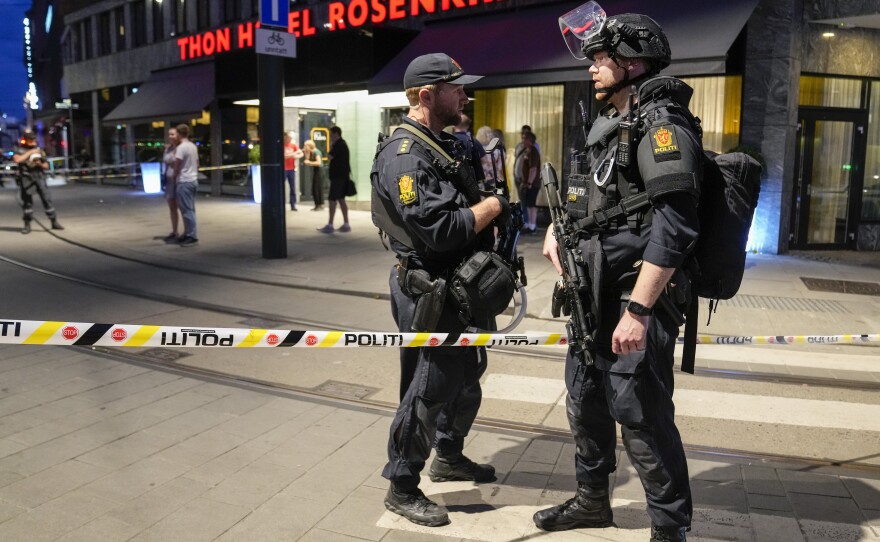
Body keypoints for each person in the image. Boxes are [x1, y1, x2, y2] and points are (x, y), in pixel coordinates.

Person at [535, 8, 701, 542]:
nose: (591, 67)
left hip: (634, 294)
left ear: (633, 61)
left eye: (600, 57)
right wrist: (564, 233)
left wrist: (639, 310)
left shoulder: (662, 123)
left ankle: (669, 529)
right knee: (585, 399)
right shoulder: (612, 122)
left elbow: (675, 226)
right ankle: (591, 502)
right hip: (593, 291)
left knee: (641, 413)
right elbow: (603, 198)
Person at [370, 52, 509, 528]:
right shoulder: (405, 157)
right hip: (430, 292)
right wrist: (494, 205)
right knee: (428, 387)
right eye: (456, 89)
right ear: (428, 96)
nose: (465, 95)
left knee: (466, 375)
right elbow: (443, 230)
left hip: (462, 287)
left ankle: (448, 454)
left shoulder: (439, 144)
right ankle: (402, 484)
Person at [12, 129, 63, 234]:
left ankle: (54, 221)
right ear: (26, 140)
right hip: (26, 179)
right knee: (27, 203)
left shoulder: (39, 150)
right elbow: (17, 159)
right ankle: (27, 224)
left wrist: (39, 163)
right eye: (30, 139)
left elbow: (47, 166)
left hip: (39, 177)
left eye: (33, 139)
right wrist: (30, 152)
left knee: (47, 199)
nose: (33, 141)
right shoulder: (19, 149)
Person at [170, 124, 200, 247]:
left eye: (175, 134)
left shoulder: (181, 148)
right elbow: (197, 163)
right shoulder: (193, 146)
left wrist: (174, 176)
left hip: (184, 181)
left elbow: (177, 165)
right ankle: (188, 233)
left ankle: (192, 236)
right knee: (190, 208)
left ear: (179, 134)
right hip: (193, 180)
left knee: (186, 210)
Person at [317, 126, 352, 233]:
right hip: (342, 177)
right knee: (341, 200)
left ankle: (330, 225)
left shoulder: (338, 145)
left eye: (331, 134)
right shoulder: (343, 144)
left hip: (338, 178)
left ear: (336, 134)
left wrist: (331, 148)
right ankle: (346, 224)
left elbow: (329, 157)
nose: (330, 136)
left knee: (332, 200)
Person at [452, 113, 486, 188]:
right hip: (474, 181)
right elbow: (484, 160)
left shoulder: (449, 140)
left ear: (454, 125)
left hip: (455, 182)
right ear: (468, 126)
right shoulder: (473, 141)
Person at [161, 127, 181, 242]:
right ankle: (175, 231)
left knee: (181, 207)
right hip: (169, 181)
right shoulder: (168, 149)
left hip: (178, 180)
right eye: (169, 134)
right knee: (172, 207)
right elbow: (166, 163)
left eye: (172, 134)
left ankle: (188, 232)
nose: (170, 137)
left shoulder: (181, 148)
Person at [519, 131, 540, 234]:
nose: (522, 140)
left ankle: (532, 227)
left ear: (529, 140)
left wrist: (529, 183)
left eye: (524, 138)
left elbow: (533, 169)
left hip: (532, 184)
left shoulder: (533, 151)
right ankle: (530, 225)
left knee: (531, 205)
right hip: (527, 183)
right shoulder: (527, 150)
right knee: (528, 205)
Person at [475, 125, 505, 191]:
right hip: (496, 180)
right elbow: (500, 167)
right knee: (496, 198)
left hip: (481, 181)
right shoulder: (498, 149)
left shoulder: (477, 149)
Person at [283, 133, 304, 211]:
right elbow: (285, 156)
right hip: (284, 169)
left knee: (293, 187)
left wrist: (297, 156)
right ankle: (282, 203)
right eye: (288, 138)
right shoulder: (282, 145)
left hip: (291, 168)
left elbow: (301, 153)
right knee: (282, 187)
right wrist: (294, 154)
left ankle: (293, 204)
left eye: (290, 138)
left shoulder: (293, 145)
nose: (289, 140)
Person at [302, 139, 324, 211]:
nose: (304, 147)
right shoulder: (311, 152)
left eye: (306, 146)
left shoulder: (316, 152)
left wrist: (309, 163)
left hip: (319, 170)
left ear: (309, 146)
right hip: (315, 170)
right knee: (314, 187)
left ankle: (319, 205)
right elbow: (307, 159)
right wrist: (306, 152)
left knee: (317, 187)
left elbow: (318, 163)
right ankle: (316, 204)